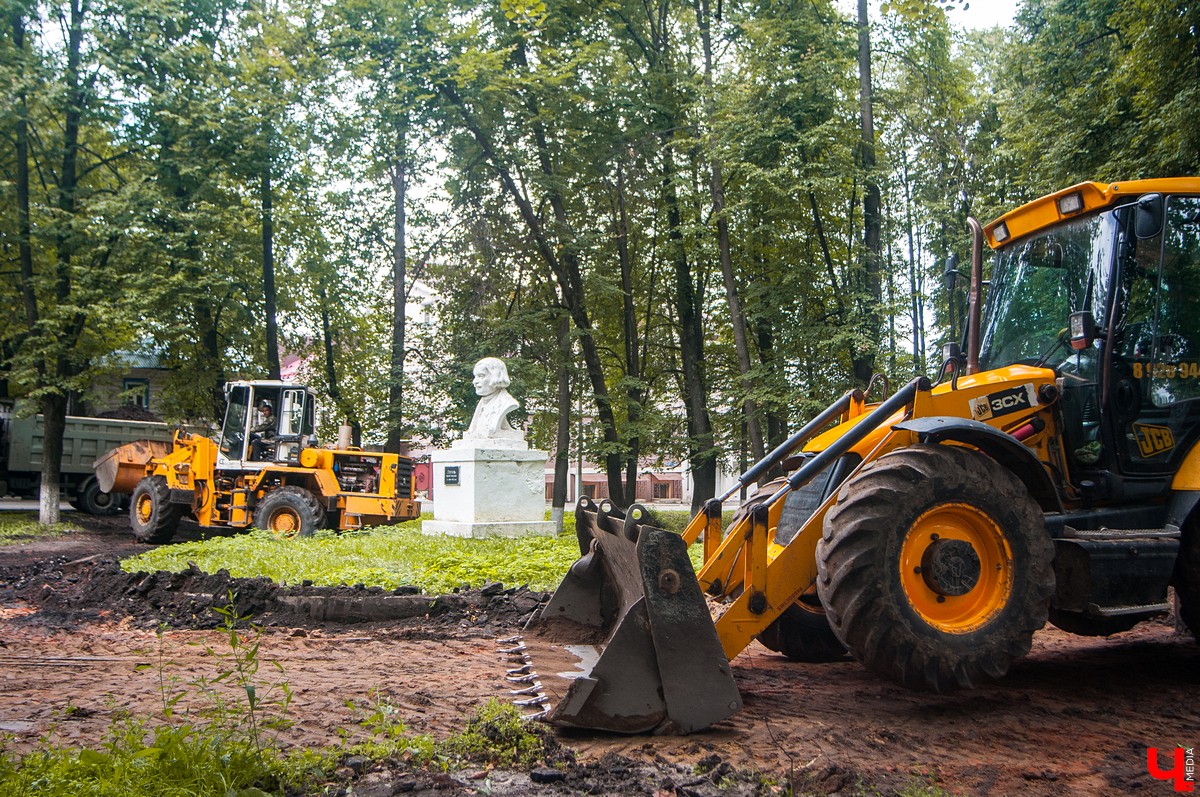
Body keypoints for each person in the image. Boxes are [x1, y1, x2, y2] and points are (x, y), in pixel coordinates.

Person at [465, 357, 521, 440]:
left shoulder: (506, 403)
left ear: (496, 377)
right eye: (475, 376)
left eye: (481, 376)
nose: (475, 381)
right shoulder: (482, 403)